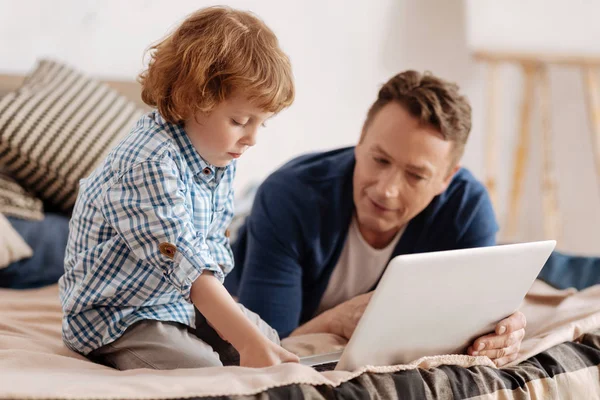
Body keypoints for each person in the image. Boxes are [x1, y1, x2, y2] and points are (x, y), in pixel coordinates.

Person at [228, 70, 526, 367]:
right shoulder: (289, 195)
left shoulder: (467, 209)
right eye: (380, 159)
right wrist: (338, 319)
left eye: (416, 175)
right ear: (360, 141)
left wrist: (502, 329)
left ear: (446, 178)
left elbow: (474, 320)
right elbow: (266, 346)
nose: (387, 190)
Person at [59, 6, 299, 370]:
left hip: (175, 300)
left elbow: (213, 246)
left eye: (259, 125)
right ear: (192, 98)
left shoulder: (220, 156)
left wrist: (245, 334)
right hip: (116, 314)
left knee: (267, 340)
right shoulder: (148, 163)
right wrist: (240, 337)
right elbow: (185, 261)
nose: (250, 138)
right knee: (205, 370)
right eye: (239, 120)